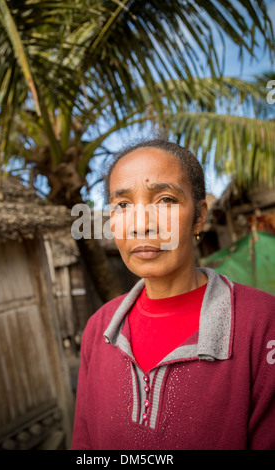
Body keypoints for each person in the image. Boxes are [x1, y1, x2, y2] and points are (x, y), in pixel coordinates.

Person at [72, 138, 275, 450]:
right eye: (123, 206)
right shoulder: (99, 329)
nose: (141, 226)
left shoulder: (262, 324)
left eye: (166, 200)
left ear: (199, 216)